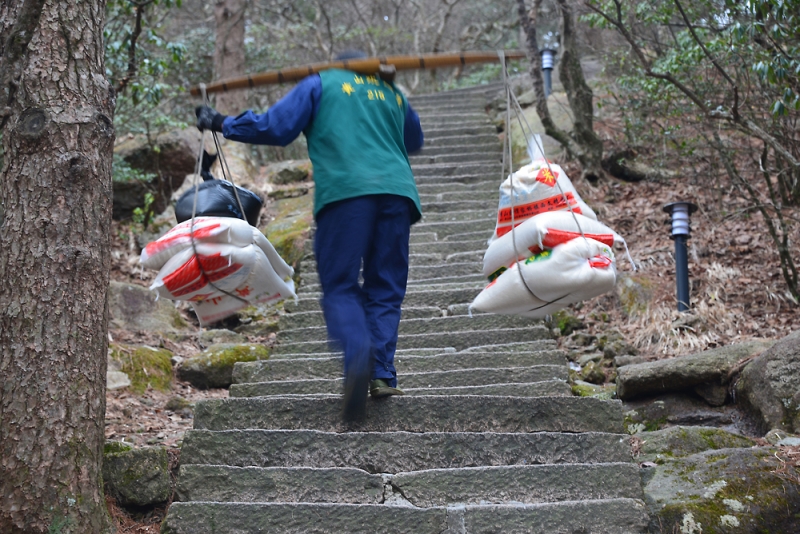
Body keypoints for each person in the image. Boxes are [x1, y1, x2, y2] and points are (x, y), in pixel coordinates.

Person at [195, 52, 424, 422]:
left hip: (346, 193)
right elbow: (414, 138)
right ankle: (382, 372)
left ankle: (357, 354)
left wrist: (221, 122)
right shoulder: (391, 90)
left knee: (340, 285)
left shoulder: (320, 83)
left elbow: (277, 127)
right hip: (397, 195)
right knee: (386, 286)